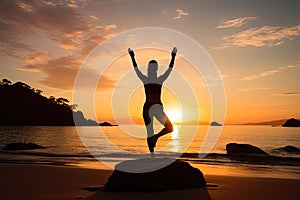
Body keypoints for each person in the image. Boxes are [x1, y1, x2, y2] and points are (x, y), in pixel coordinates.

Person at [128, 47, 177, 157]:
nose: (154, 69)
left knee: (169, 127)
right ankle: (152, 155)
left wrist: (173, 57)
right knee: (150, 132)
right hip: (148, 108)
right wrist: (132, 57)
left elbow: (170, 69)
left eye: (155, 67)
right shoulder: (147, 79)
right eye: (153, 67)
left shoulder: (159, 80)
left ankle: (155, 138)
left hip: (155, 108)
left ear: (156, 69)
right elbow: (136, 69)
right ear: (150, 69)